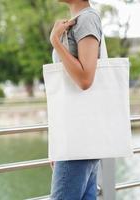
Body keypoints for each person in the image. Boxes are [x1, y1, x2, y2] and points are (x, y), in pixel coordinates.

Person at [49, 0, 103, 199]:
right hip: (80, 137)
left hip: (77, 139)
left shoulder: (87, 19)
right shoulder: (79, 20)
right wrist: (56, 144)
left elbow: (85, 79)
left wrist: (55, 41)